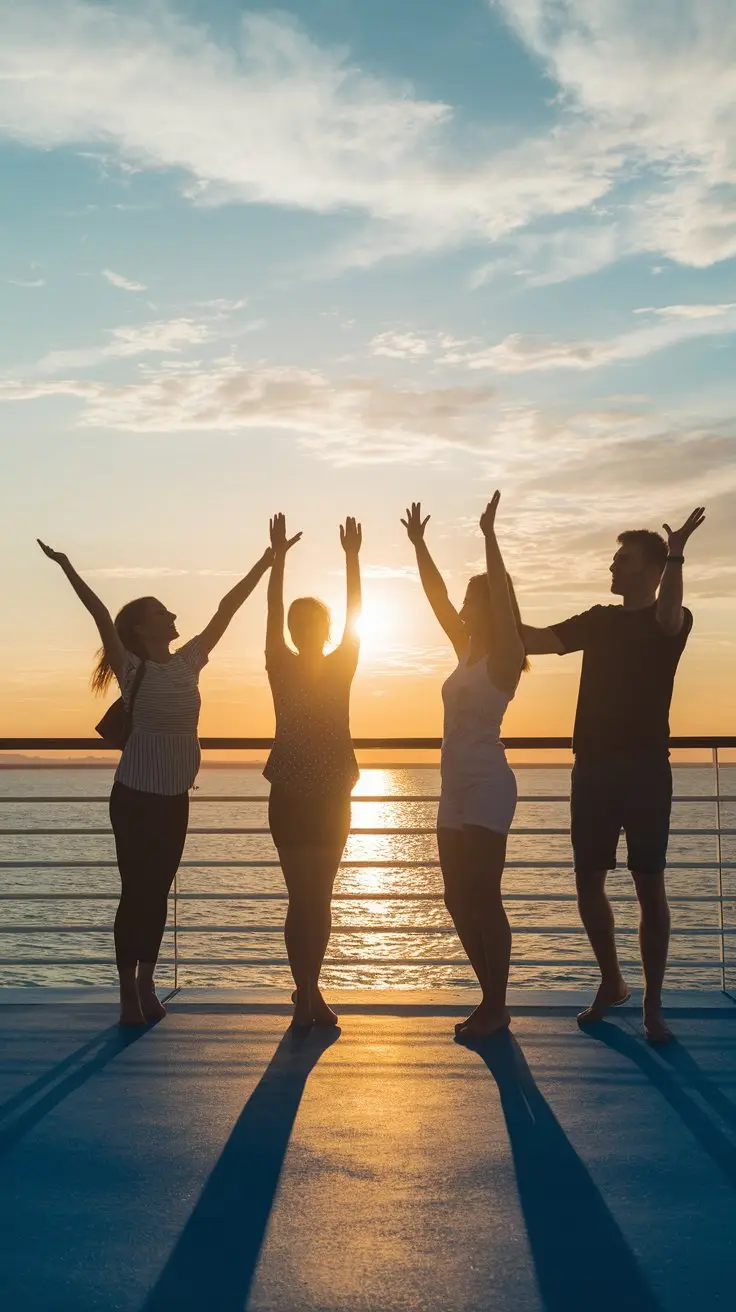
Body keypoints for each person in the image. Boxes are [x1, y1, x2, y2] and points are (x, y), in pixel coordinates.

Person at [37, 536, 275, 1026]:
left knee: (160, 890)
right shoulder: (131, 666)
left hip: (174, 797)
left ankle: (147, 982)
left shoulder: (189, 661)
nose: (173, 616)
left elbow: (227, 609)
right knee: (135, 892)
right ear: (144, 628)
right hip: (135, 797)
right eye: (163, 612)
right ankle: (128, 993)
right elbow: (99, 613)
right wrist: (66, 566)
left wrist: (266, 561)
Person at [521, 508, 705, 1043]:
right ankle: (612, 982)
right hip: (593, 769)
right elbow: (536, 641)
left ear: (651, 569)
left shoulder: (673, 619)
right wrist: (493, 607)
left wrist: (677, 552)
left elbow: (667, 616)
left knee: (649, 884)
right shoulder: (599, 619)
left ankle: (652, 1004)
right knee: (588, 881)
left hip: (645, 771)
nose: (612, 566)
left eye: (623, 560)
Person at [402, 495, 527, 1038]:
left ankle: (496, 1005)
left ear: (492, 607)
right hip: (452, 787)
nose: (463, 607)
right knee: (456, 898)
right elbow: (436, 598)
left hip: (487, 784)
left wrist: (489, 536)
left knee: (483, 896)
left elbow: (500, 595)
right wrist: (419, 544)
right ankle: (489, 997)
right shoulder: (466, 650)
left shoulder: (505, 657)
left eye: (474, 600)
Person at [264, 512, 362, 1029]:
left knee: (316, 898)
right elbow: (272, 608)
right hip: (293, 794)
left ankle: (309, 991)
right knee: (303, 898)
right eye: (300, 624)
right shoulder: (279, 663)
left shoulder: (342, 663)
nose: (309, 629)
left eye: (315, 623)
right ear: (294, 631)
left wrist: (352, 559)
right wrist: (278, 561)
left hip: (329, 795)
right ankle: (305, 994)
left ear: (324, 629)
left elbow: (356, 615)